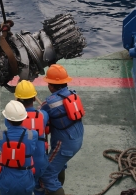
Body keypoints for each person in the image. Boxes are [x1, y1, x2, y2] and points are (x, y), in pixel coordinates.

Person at [38, 64, 84, 195]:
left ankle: (55, 190)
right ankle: (57, 185)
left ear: (51, 85)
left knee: (46, 174)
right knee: (58, 165)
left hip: (65, 144)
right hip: (77, 138)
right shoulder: (72, 94)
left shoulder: (49, 103)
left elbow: (39, 118)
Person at [11, 80, 49, 195]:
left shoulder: (12, 118)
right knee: (38, 187)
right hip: (39, 164)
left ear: (17, 100)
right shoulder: (43, 115)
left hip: (22, 165)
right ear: (33, 98)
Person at [0, 100, 38, 195]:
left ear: (7, 119)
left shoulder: (0, 135)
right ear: (23, 118)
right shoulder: (33, 135)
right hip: (25, 180)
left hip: (7, 181)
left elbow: (1, 147)